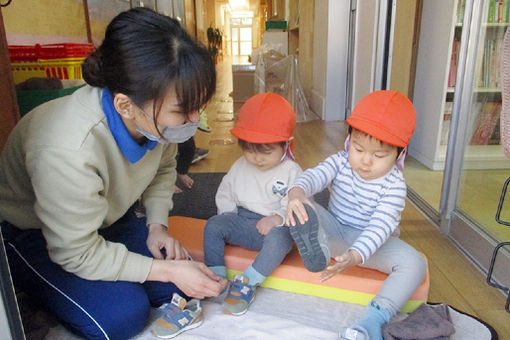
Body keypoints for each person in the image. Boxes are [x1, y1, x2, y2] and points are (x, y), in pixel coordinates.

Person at [0, 8, 226, 340]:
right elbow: (74, 251)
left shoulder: (151, 119)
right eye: (183, 109)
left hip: (105, 218)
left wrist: (157, 226)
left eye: (199, 104)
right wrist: (162, 269)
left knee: (176, 290)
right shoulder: (69, 149)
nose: (194, 118)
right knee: (121, 317)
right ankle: (31, 286)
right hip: (36, 234)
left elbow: (165, 167)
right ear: (124, 106)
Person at [285, 90, 427, 340]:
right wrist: (296, 192)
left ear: (399, 155)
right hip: (336, 230)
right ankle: (317, 244)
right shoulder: (340, 161)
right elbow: (314, 175)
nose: (366, 161)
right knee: (302, 205)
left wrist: (356, 255)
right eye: (359, 149)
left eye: (379, 155)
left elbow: (380, 226)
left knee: (414, 263)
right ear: (348, 142)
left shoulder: (394, 185)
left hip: (372, 246)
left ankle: (374, 318)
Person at [203, 93, 302, 315]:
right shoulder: (239, 166)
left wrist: (277, 218)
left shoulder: (291, 171)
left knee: (282, 239)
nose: (257, 159)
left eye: (266, 152)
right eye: (249, 150)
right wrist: (227, 215)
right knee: (213, 225)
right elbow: (226, 191)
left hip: (273, 227)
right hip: (242, 221)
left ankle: (247, 282)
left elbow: (296, 203)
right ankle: (215, 276)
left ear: (285, 145)